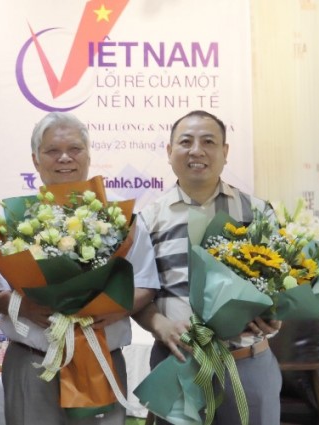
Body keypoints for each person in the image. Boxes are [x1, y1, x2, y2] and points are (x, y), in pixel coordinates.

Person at [0, 111, 161, 425]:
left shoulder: (122, 217)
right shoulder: (15, 218)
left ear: (89, 155)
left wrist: (117, 307)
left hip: (101, 358)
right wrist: (25, 306)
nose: (64, 158)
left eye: (75, 149)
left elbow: (147, 283)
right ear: (36, 159)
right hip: (33, 363)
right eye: (52, 150)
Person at [134, 110, 282, 424]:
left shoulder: (257, 212)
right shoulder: (148, 219)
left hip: (246, 367)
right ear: (169, 152)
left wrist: (274, 316)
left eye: (209, 141)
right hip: (176, 363)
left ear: (225, 152)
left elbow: (281, 285)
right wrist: (158, 323)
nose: (196, 150)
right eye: (185, 142)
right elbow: (136, 295)